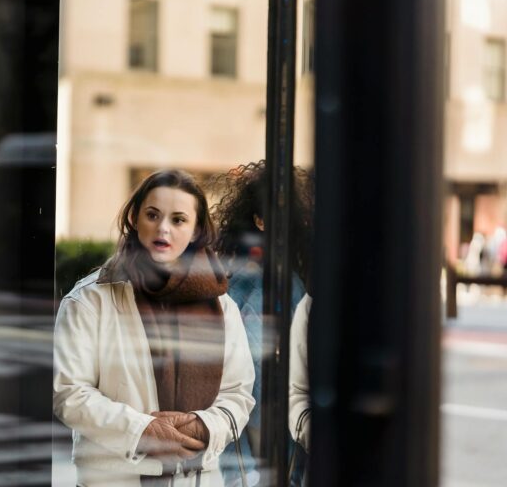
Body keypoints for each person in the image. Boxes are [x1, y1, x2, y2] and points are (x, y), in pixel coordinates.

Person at [54, 169, 255, 486]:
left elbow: (238, 394)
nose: (163, 228)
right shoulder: (89, 300)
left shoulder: (221, 305)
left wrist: (200, 426)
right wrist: (141, 430)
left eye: (178, 220)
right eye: (153, 215)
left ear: (196, 229)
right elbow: (69, 393)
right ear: (134, 218)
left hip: (199, 479)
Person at [210, 161, 314, 486]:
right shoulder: (249, 279)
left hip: (268, 408)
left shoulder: (286, 280)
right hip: (257, 405)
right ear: (259, 220)